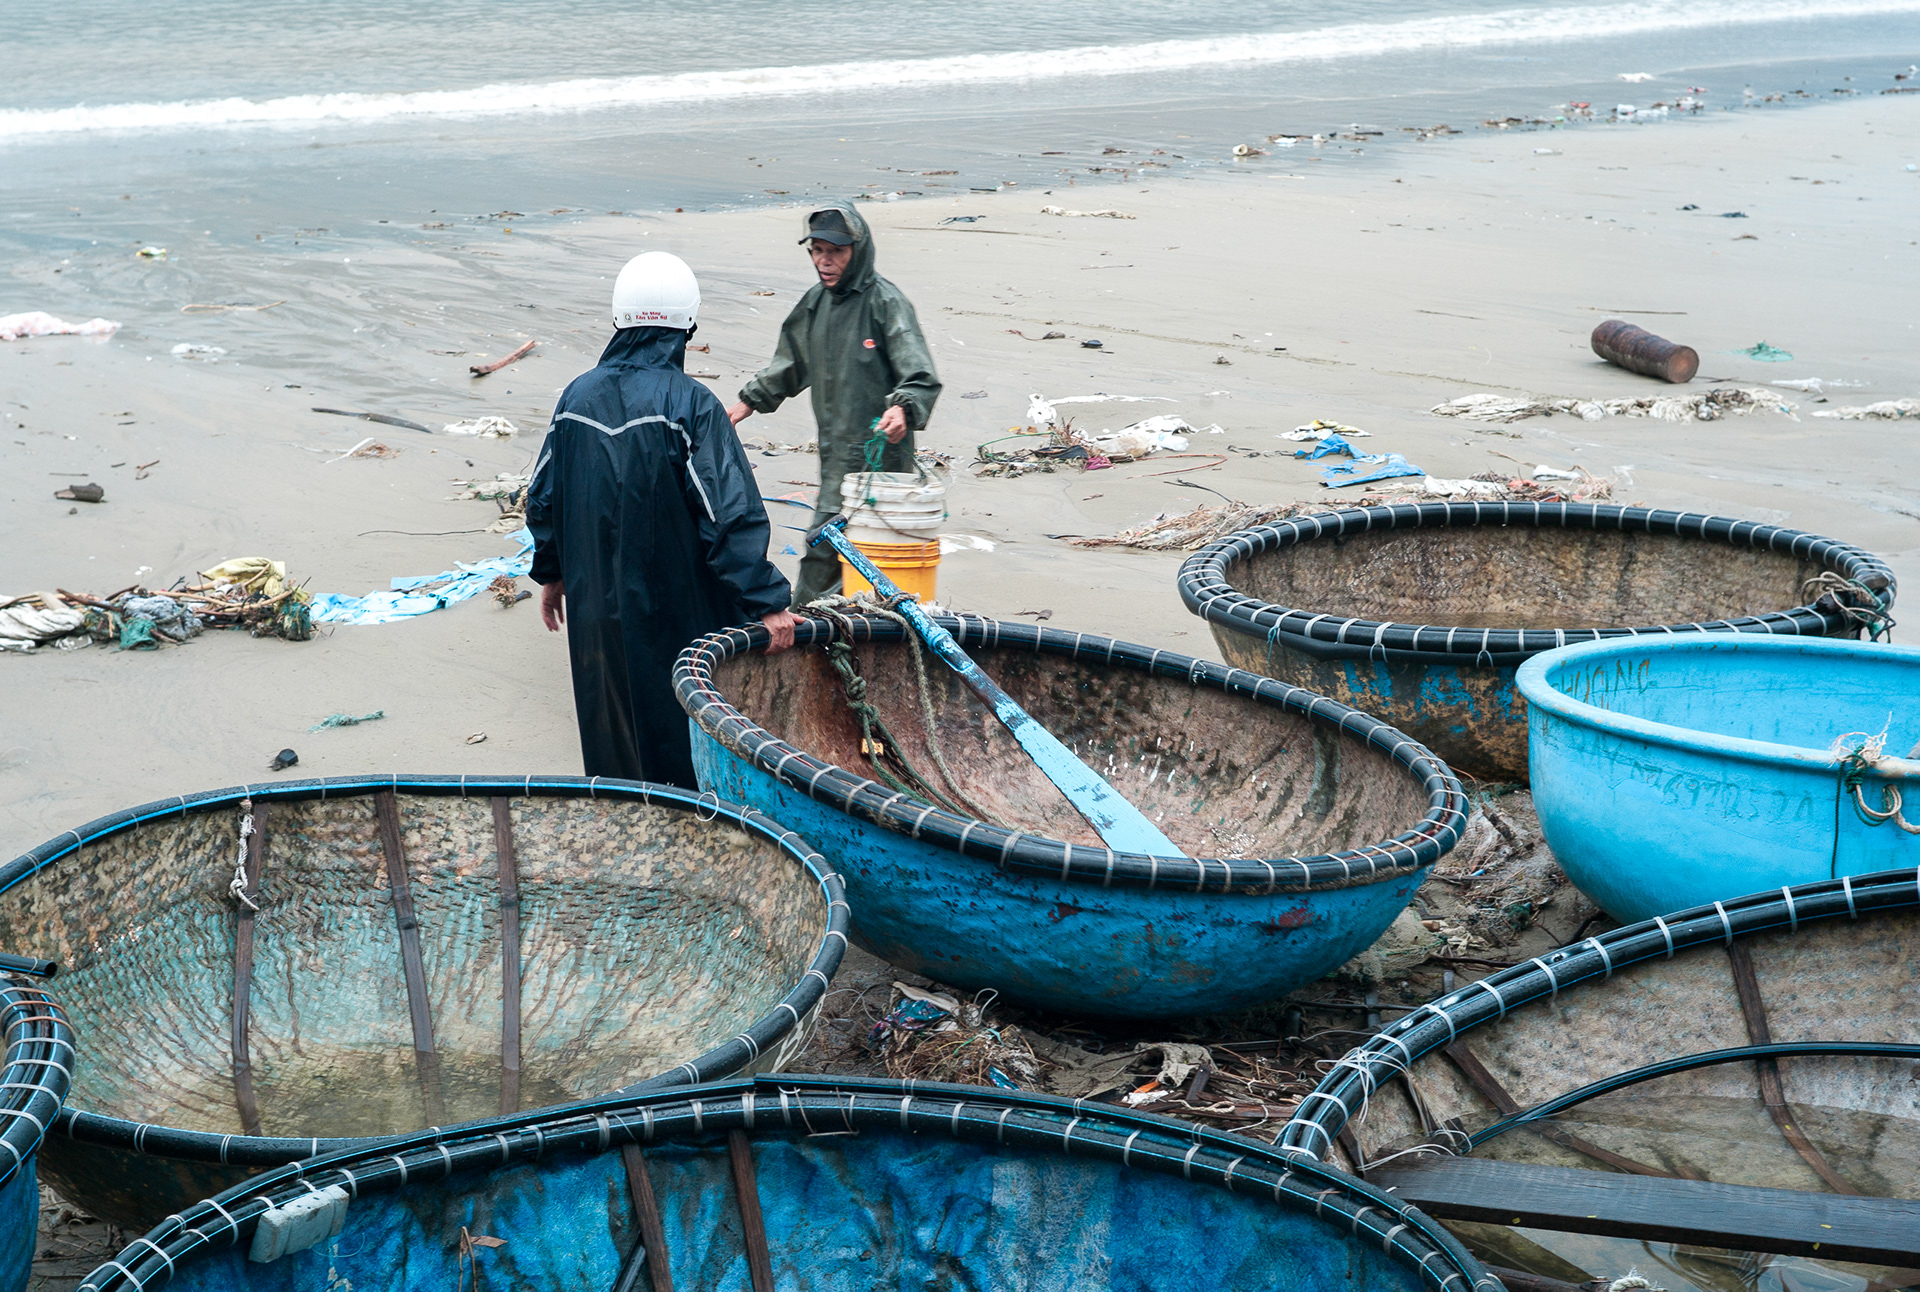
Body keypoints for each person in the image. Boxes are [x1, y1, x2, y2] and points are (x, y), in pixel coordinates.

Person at [527, 251, 803, 788]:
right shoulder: (691, 405)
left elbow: (543, 498)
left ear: (617, 320)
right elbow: (729, 516)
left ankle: (627, 832)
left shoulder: (574, 400)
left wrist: (553, 573)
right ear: (687, 327)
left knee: (613, 733)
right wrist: (767, 603)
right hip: (679, 615)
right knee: (685, 734)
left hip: (597, 615)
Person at [728, 200, 941, 605]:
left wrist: (903, 408)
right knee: (835, 558)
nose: (825, 261)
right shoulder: (815, 304)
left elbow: (919, 374)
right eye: (817, 250)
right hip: (836, 463)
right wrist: (745, 404)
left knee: (842, 557)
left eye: (836, 251)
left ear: (857, 251)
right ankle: (830, 639)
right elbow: (790, 363)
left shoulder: (885, 303)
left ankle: (810, 631)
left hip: (882, 468)